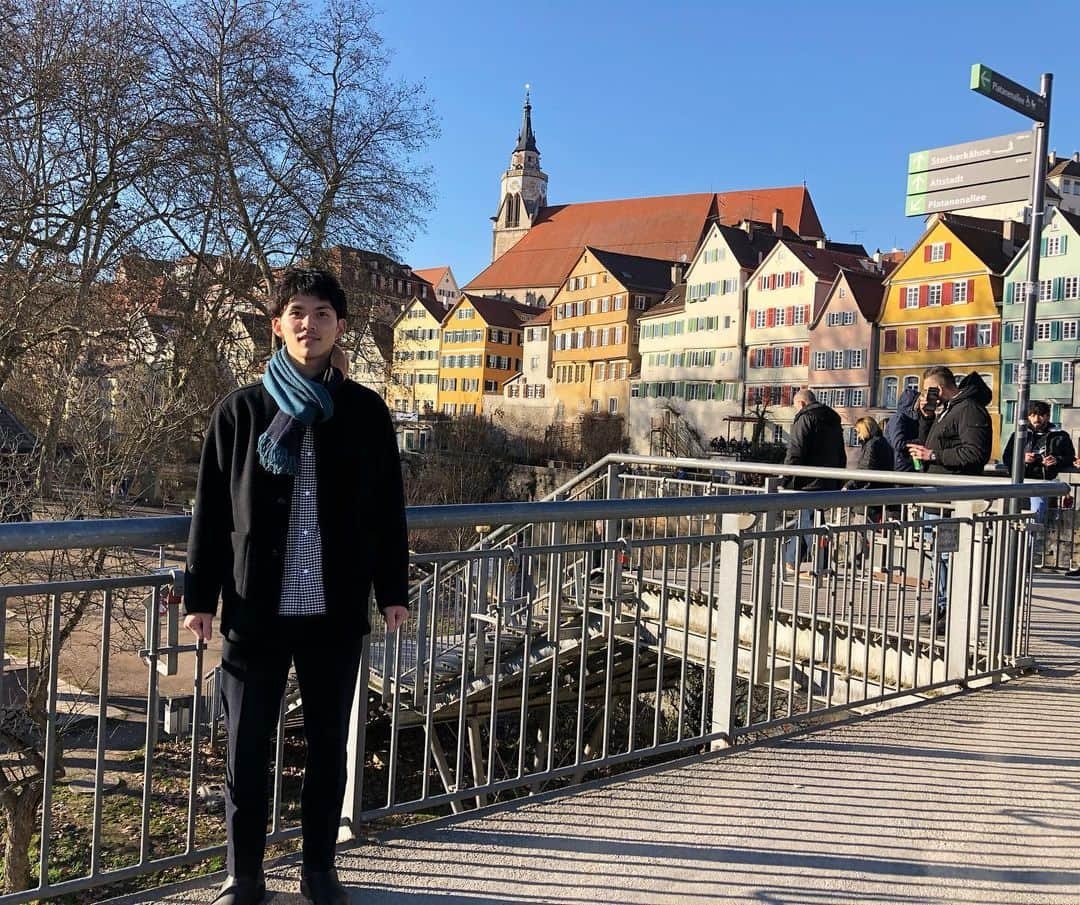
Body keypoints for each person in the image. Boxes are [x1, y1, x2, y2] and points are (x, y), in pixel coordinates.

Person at [183, 268, 409, 905]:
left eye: (322, 313)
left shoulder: (365, 412)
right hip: (255, 609)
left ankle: (318, 872)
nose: (309, 323)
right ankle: (244, 876)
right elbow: (212, 508)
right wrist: (201, 597)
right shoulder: (241, 411)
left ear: (341, 327)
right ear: (278, 324)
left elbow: (387, 508)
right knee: (246, 752)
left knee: (328, 749)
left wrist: (393, 588)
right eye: (297, 312)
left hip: (333, 611)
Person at [906, 367, 992, 627]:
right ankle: (940, 607)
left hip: (952, 498)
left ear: (939, 389)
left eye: (929, 391)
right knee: (938, 554)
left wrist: (933, 456)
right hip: (939, 496)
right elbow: (932, 443)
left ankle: (952, 611)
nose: (926, 396)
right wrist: (926, 417)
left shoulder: (969, 410)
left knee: (947, 555)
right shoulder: (949, 409)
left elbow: (975, 454)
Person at [781, 389, 846, 573]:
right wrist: (839, 479)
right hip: (829, 479)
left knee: (810, 521)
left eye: (795, 407)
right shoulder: (833, 421)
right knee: (807, 518)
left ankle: (822, 564)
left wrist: (784, 479)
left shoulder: (804, 418)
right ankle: (792, 560)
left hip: (809, 481)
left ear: (801, 404)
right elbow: (841, 454)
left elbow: (795, 451)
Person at [1001, 400, 1075, 523]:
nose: (1036, 419)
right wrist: (1022, 459)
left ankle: (1034, 542)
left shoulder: (1060, 435)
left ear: (1047, 416)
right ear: (1028, 417)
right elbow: (1007, 457)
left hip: (1042, 483)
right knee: (1015, 519)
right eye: (1032, 415)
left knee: (1036, 520)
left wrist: (1056, 460)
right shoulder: (1019, 434)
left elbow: (1070, 457)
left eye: (1040, 415)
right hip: (1020, 482)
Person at [884, 387, 921, 472]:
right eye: (918, 401)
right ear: (911, 402)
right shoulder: (899, 418)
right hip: (900, 466)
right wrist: (919, 442)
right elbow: (898, 443)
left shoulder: (911, 418)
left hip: (908, 464)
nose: (919, 404)